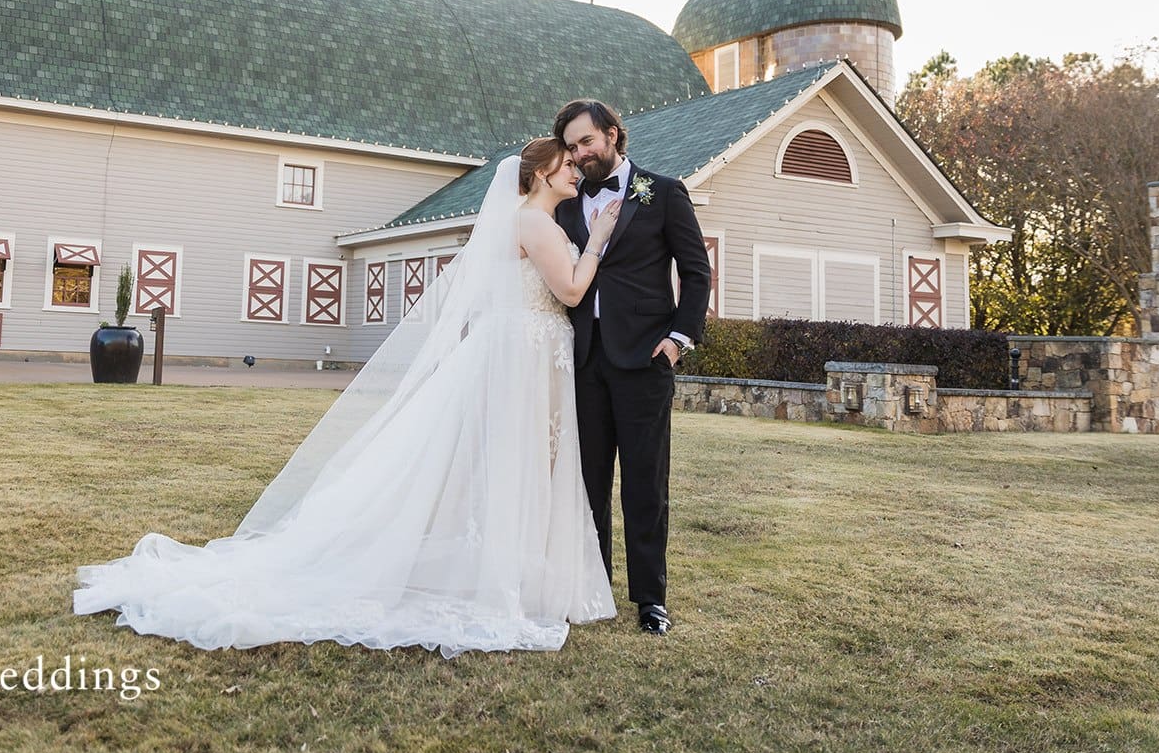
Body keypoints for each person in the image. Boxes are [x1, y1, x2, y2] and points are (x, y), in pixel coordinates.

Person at [75, 139, 623, 657]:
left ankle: (510, 570)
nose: (576, 169)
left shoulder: (522, 220)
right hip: (527, 351)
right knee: (522, 461)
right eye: (567, 164)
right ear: (541, 173)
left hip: (523, 350)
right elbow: (572, 290)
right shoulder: (534, 220)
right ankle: (514, 580)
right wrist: (598, 239)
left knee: (513, 461)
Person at [553, 99, 711, 636]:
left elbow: (696, 272)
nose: (579, 154)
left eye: (586, 142)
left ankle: (651, 599)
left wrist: (677, 340)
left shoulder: (663, 193)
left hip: (645, 360)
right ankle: (593, 589)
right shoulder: (566, 203)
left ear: (613, 136)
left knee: (646, 484)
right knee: (587, 483)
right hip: (583, 359)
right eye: (571, 147)